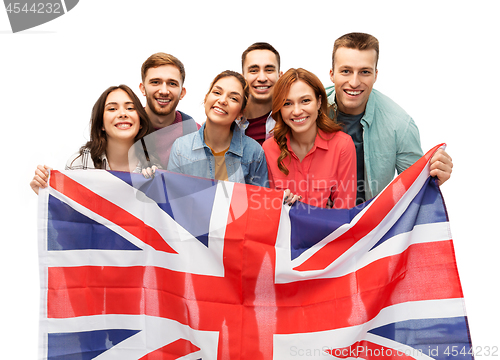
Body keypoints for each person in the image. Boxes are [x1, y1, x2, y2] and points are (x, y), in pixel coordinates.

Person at [326, 32, 453, 204]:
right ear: (332, 74)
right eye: (346, 71)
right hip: (314, 217)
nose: (354, 82)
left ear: (375, 75)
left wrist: (435, 177)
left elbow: (417, 189)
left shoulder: (400, 124)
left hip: (370, 224)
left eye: (364, 72)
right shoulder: (308, 109)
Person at [30, 85, 155, 194]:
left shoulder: (156, 168)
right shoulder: (79, 164)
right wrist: (48, 191)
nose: (123, 114)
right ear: (101, 124)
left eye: (130, 108)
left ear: (141, 122)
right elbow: (71, 217)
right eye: (112, 109)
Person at [263, 68, 357, 209]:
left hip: (328, 231)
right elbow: (266, 209)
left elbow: (344, 212)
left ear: (319, 102)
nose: (297, 111)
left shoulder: (342, 146)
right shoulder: (269, 148)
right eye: (287, 103)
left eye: (305, 101)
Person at [168, 70, 268, 187]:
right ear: (206, 99)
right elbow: (173, 199)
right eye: (217, 92)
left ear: (240, 112)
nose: (222, 101)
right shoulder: (181, 148)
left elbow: (261, 202)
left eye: (233, 98)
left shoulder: (254, 152)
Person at [139, 52, 200, 167]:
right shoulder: (127, 127)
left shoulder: (195, 132)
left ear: (182, 93)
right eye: (155, 82)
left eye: (172, 83)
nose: (164, 91)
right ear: (143, 88)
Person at [237, 42, 282, 145]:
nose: (262, 78)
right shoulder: (228, 120)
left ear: (280, 76)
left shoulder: (293, 118)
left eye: (269, 70)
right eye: (253, 70)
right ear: (242, 78)